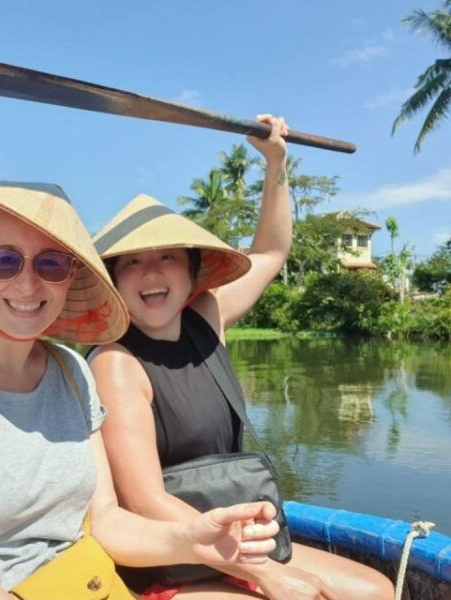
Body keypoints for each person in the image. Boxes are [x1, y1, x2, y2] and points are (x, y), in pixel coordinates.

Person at [0, 181, 284, 599]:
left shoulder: (71, 370)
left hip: (91, 582)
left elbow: (106, 522)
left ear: (69, 280)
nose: (28, 285)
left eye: (51, 266)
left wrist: (191, 538)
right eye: (5, 261)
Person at [88, 116, 395, 599]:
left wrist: (275, 161)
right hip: (172, 555)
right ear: (114, 281)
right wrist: (266, 573)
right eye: (131, 262)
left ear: (192, 274)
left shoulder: (207, 317)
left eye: (166, 257)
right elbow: (144, 501)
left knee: (375, 591)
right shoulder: (115, 362)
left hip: (238, 536)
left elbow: (271, 251)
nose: (150, 272)